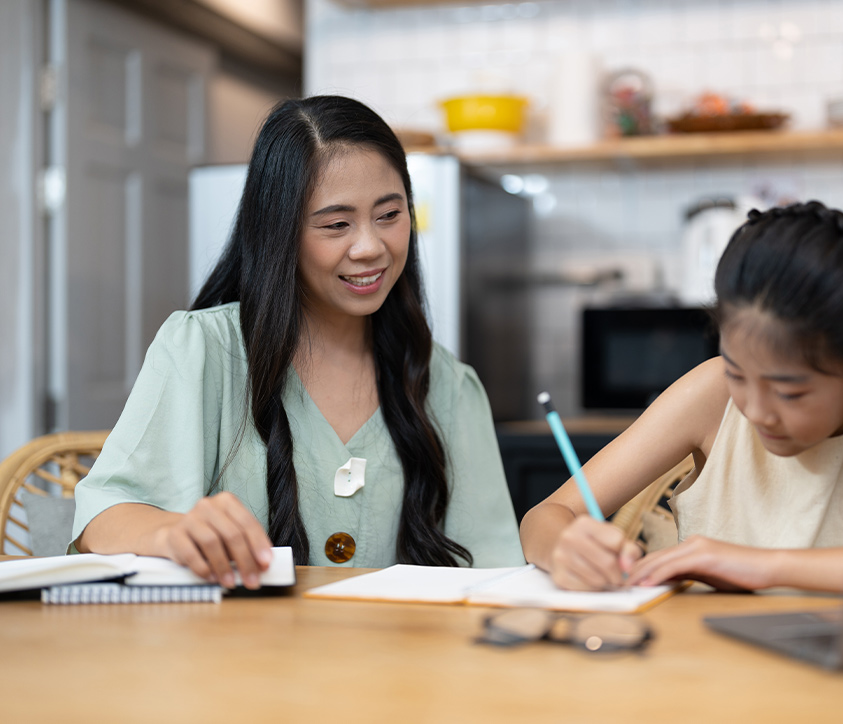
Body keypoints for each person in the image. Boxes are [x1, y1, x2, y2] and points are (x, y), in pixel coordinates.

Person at [72, 95, 525, 588]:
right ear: (280, 231)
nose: (371, 247)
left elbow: (494, 573)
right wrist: (174, 532)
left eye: (389, 215)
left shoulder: (450, 387)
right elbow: (102, 516)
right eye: (336, 225)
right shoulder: (204, 350)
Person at [520, 200, 843, 594]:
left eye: (789, 392)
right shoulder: (711, 395)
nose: (758, 412)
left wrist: (762, 567)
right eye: (737, 373)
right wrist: (565, 549)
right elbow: (546, 516)